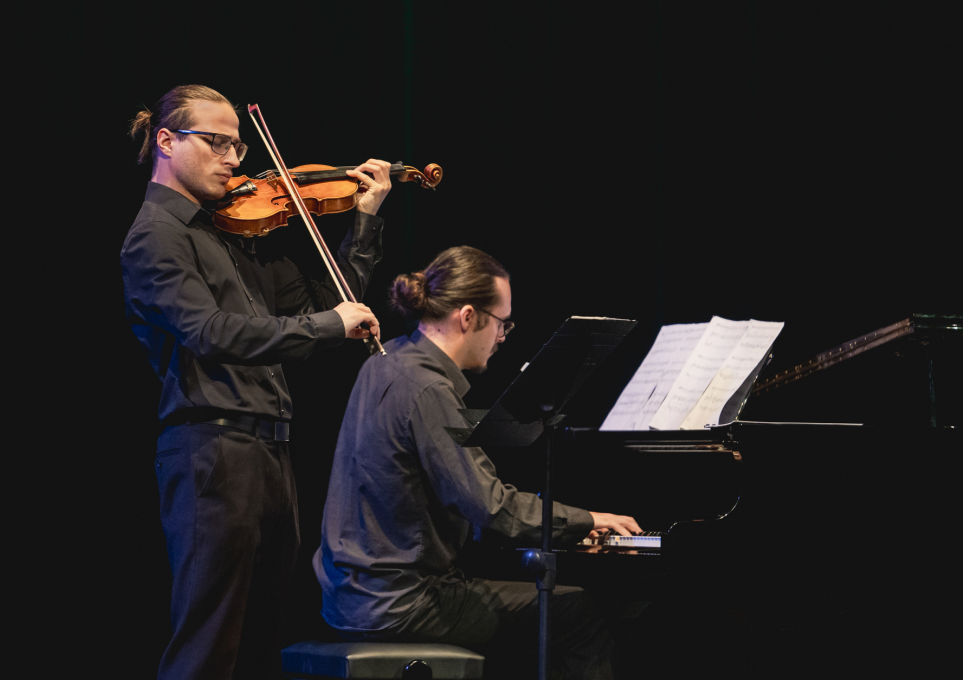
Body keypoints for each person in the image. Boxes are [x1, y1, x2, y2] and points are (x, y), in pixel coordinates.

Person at [121, 84, 394, 680]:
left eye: (238, 146)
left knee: (260, 640)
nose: (234, 159)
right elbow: (212, 332)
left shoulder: (232, 232)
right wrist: (328, 324)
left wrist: (365, 223)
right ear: (167, 142)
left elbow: (328, 301)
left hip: (269, 451)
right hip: (211, 455)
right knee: (207, 643)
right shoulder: (156, 237)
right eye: (217, 143)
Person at [313, 246, 642, 679]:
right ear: (468, 317)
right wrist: (586, 519)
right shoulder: (428, 389)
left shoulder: (386, 359)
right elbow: (492, 508)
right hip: (400, 603)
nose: (504, 337)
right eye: (502, 323)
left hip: (348, 595)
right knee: (575, 612)